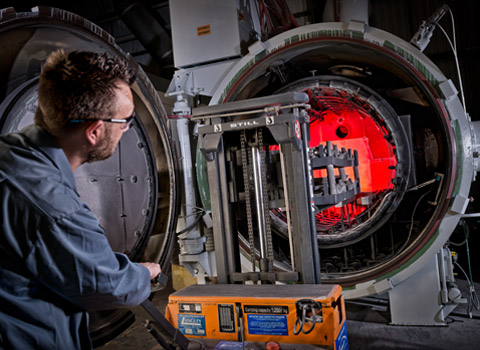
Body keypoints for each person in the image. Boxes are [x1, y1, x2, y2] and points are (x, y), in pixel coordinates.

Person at [0, 50, 161, 349]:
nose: (127, 130)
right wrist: (143, 273)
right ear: (95, 131)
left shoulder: (10, 154)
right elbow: (105, 284)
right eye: (125, 122)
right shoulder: (54, 207)